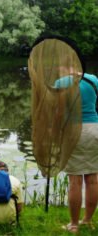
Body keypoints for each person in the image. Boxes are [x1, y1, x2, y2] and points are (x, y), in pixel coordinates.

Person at [62, 72, 98, 233]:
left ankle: (74, 224)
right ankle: (88, 221)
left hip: (73, 130)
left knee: (75, 181)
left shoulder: (62, 82)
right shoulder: (93, 79)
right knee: (93, 179)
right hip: (94, 129)